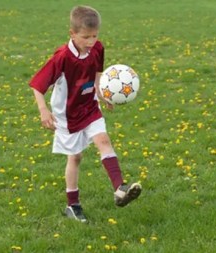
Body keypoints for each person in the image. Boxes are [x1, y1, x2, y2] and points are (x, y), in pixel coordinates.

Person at [29, 5, 141, 222]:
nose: (91, 42)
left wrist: (102, 94)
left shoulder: (98, 48)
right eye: (85, 37)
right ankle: (72, 205)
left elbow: (98, 73)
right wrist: (44, 110)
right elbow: (37, 85)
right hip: (67, 116)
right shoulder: (62, 57)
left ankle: (120, 188)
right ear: (72, 34)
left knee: (103, 141)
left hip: (89, 106)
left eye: (94, 36)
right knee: (76, 157)